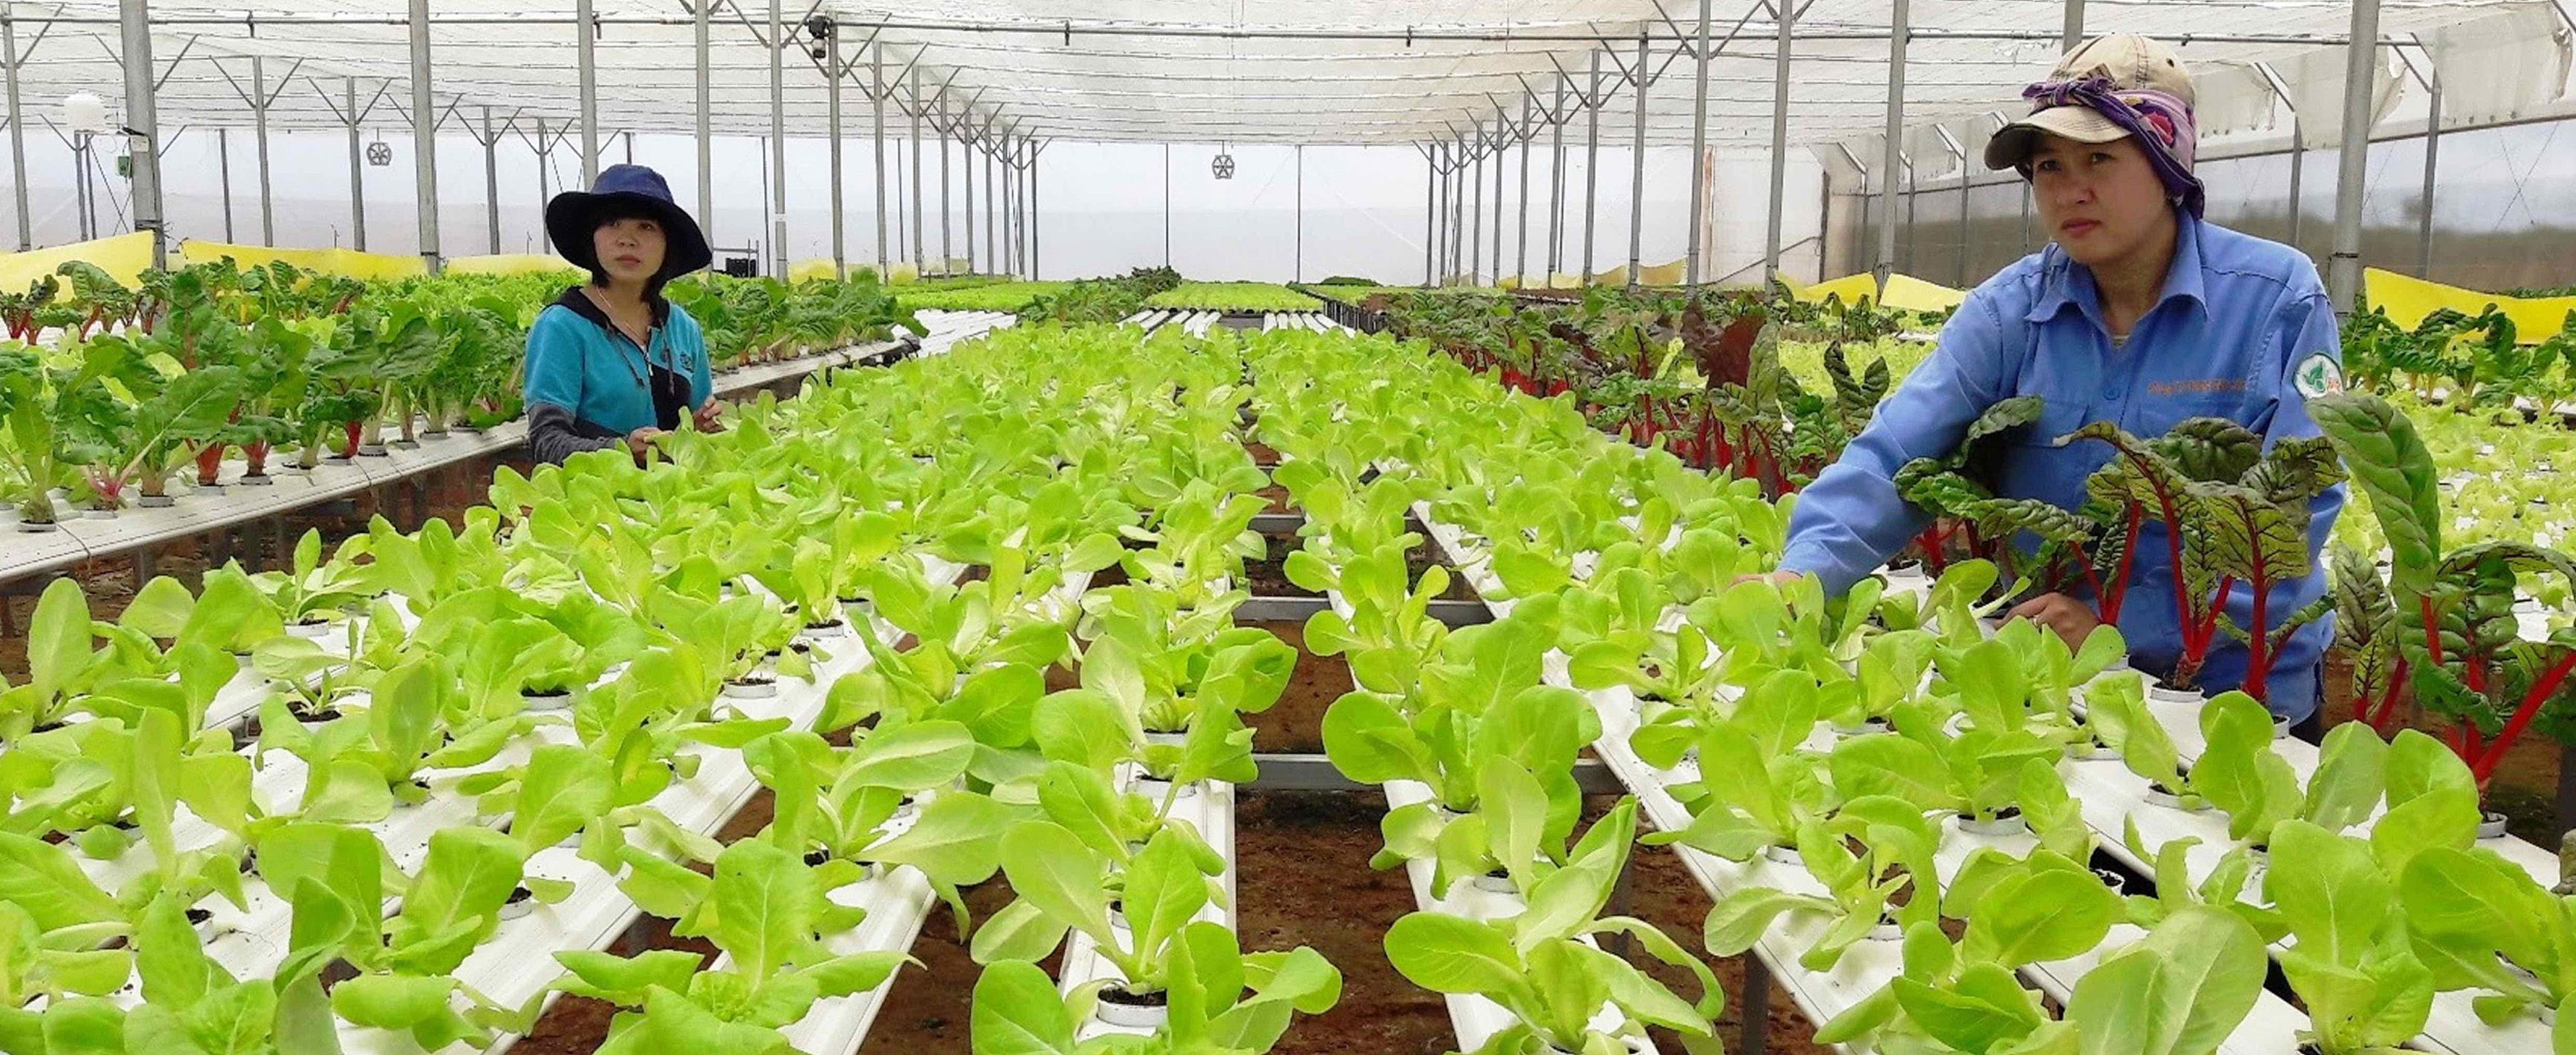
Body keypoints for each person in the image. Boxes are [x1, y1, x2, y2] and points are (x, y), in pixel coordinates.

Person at [1763, 35, 2344, 729]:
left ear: (2167, 162)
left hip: (2234, 695)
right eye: (2047, 166)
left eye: (2099, 158)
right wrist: (1802, 574)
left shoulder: (2276, 298)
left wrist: (2119, 622)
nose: (2070, 191)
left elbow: (2297, 510)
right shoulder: (2008, 310)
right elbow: (1895, 454)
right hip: (2052, 679)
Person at [524, 163, 725, 466]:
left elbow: (697, 427)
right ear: (592, 238)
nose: (627, 239)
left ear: (668, 245)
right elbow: (546, 441)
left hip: (676, 494)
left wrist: (699, 429)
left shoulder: (683, 329)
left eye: (646, 227)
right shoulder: (562, 326)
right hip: (594, 495)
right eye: (613, 224)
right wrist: (620, 450)